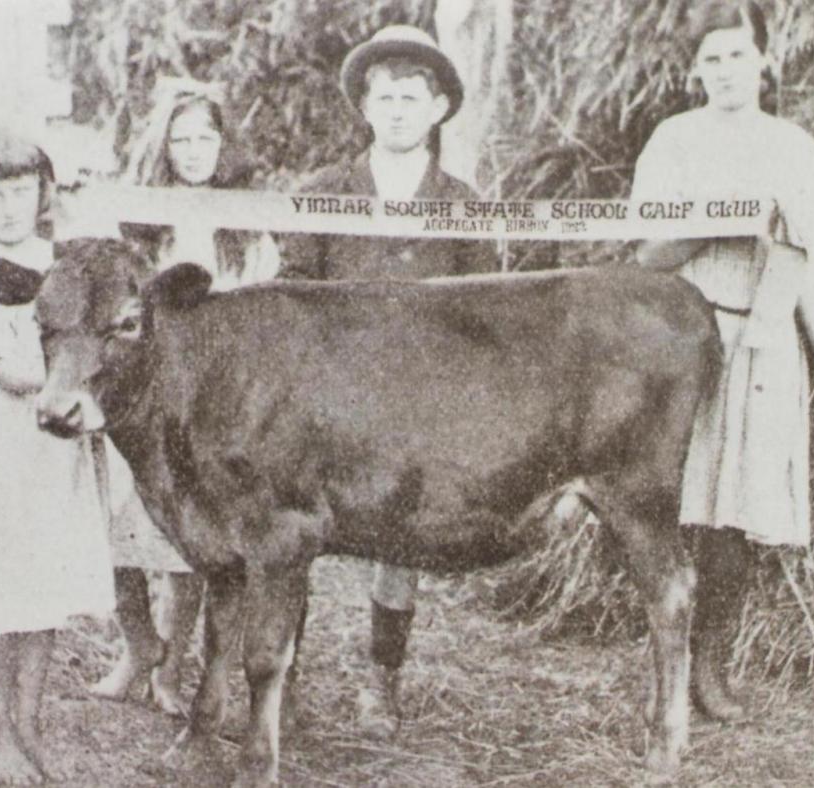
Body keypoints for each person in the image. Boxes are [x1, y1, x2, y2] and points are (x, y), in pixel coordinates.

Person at [631, 0, 814, 721]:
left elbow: (808, 264)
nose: (726, 71)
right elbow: (647, 253)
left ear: (763, 59)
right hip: (683, 339)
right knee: (674, 506)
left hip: (764, 340)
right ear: (694, 69)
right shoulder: (674, 141)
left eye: (739, 55)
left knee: (735, 513)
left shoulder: (791, 145)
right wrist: (716, 216)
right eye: (712, 59)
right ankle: (665, 670)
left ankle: (711, 667)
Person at [279, 25, 497, 737]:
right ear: (364, 108)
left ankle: (382, 681)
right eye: (385, 98)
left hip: (416, 408)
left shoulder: (464, 204)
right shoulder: (321, 192)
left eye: (412, 97)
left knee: (398, 543)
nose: (398, 110)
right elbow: (289, 291)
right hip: (325, 404)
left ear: (438, 109)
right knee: (292, 538)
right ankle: (282, 677)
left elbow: (484, 309)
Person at [0, 128, 115, 783]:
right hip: (4, 449)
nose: (9, 206)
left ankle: (30, 721)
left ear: (43, 193)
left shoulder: (60, 258)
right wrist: (80, 367)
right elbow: (9, 371)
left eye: (21, 191)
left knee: (42, 592)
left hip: (55, 451)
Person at [92, 79, 278, 716]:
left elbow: (261, 318)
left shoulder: (247, 226)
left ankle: (170, 665)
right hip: (138, 401)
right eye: (181, 138)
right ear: (161, 144)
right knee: (119, 526)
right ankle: (135, 645)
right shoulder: (139, 222)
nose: (194, 150)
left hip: (210, 407)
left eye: (206, 137)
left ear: (224, 144)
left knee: (184, 539)